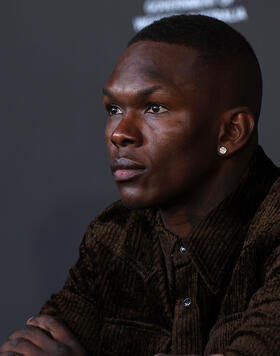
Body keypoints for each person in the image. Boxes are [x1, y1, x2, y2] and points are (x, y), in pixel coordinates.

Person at [1, 14, 279, 356]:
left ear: (231, 132)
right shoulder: (112, 237)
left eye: (154, 108)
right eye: (114, 108)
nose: (119, 133)